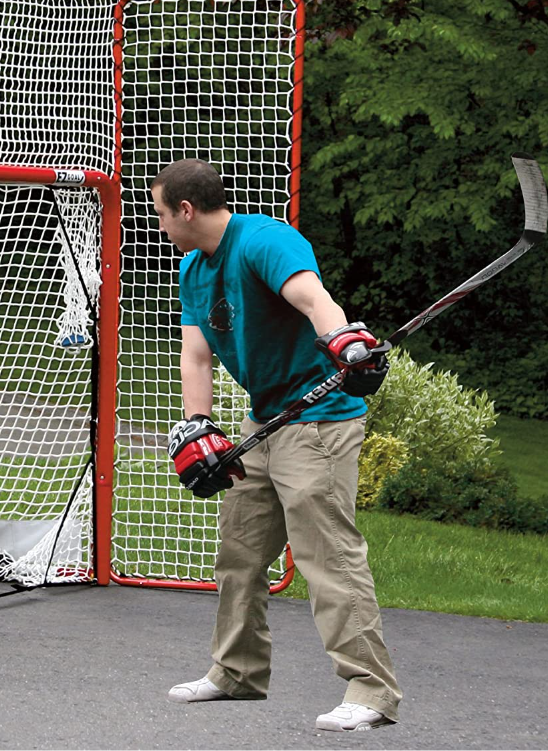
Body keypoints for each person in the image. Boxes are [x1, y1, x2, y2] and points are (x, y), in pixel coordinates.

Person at [151, 158, 402, 732]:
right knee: (239, 551)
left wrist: (343, 342)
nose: (160, 227)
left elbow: (314, 301)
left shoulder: (264, 240)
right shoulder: (193, 269)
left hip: (318, 422)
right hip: (264, 422)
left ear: (185, 210)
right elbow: (196, 355)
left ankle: (371, 690)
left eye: (162, 215)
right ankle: (236, 671)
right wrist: (197, 424)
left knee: (327, 554)